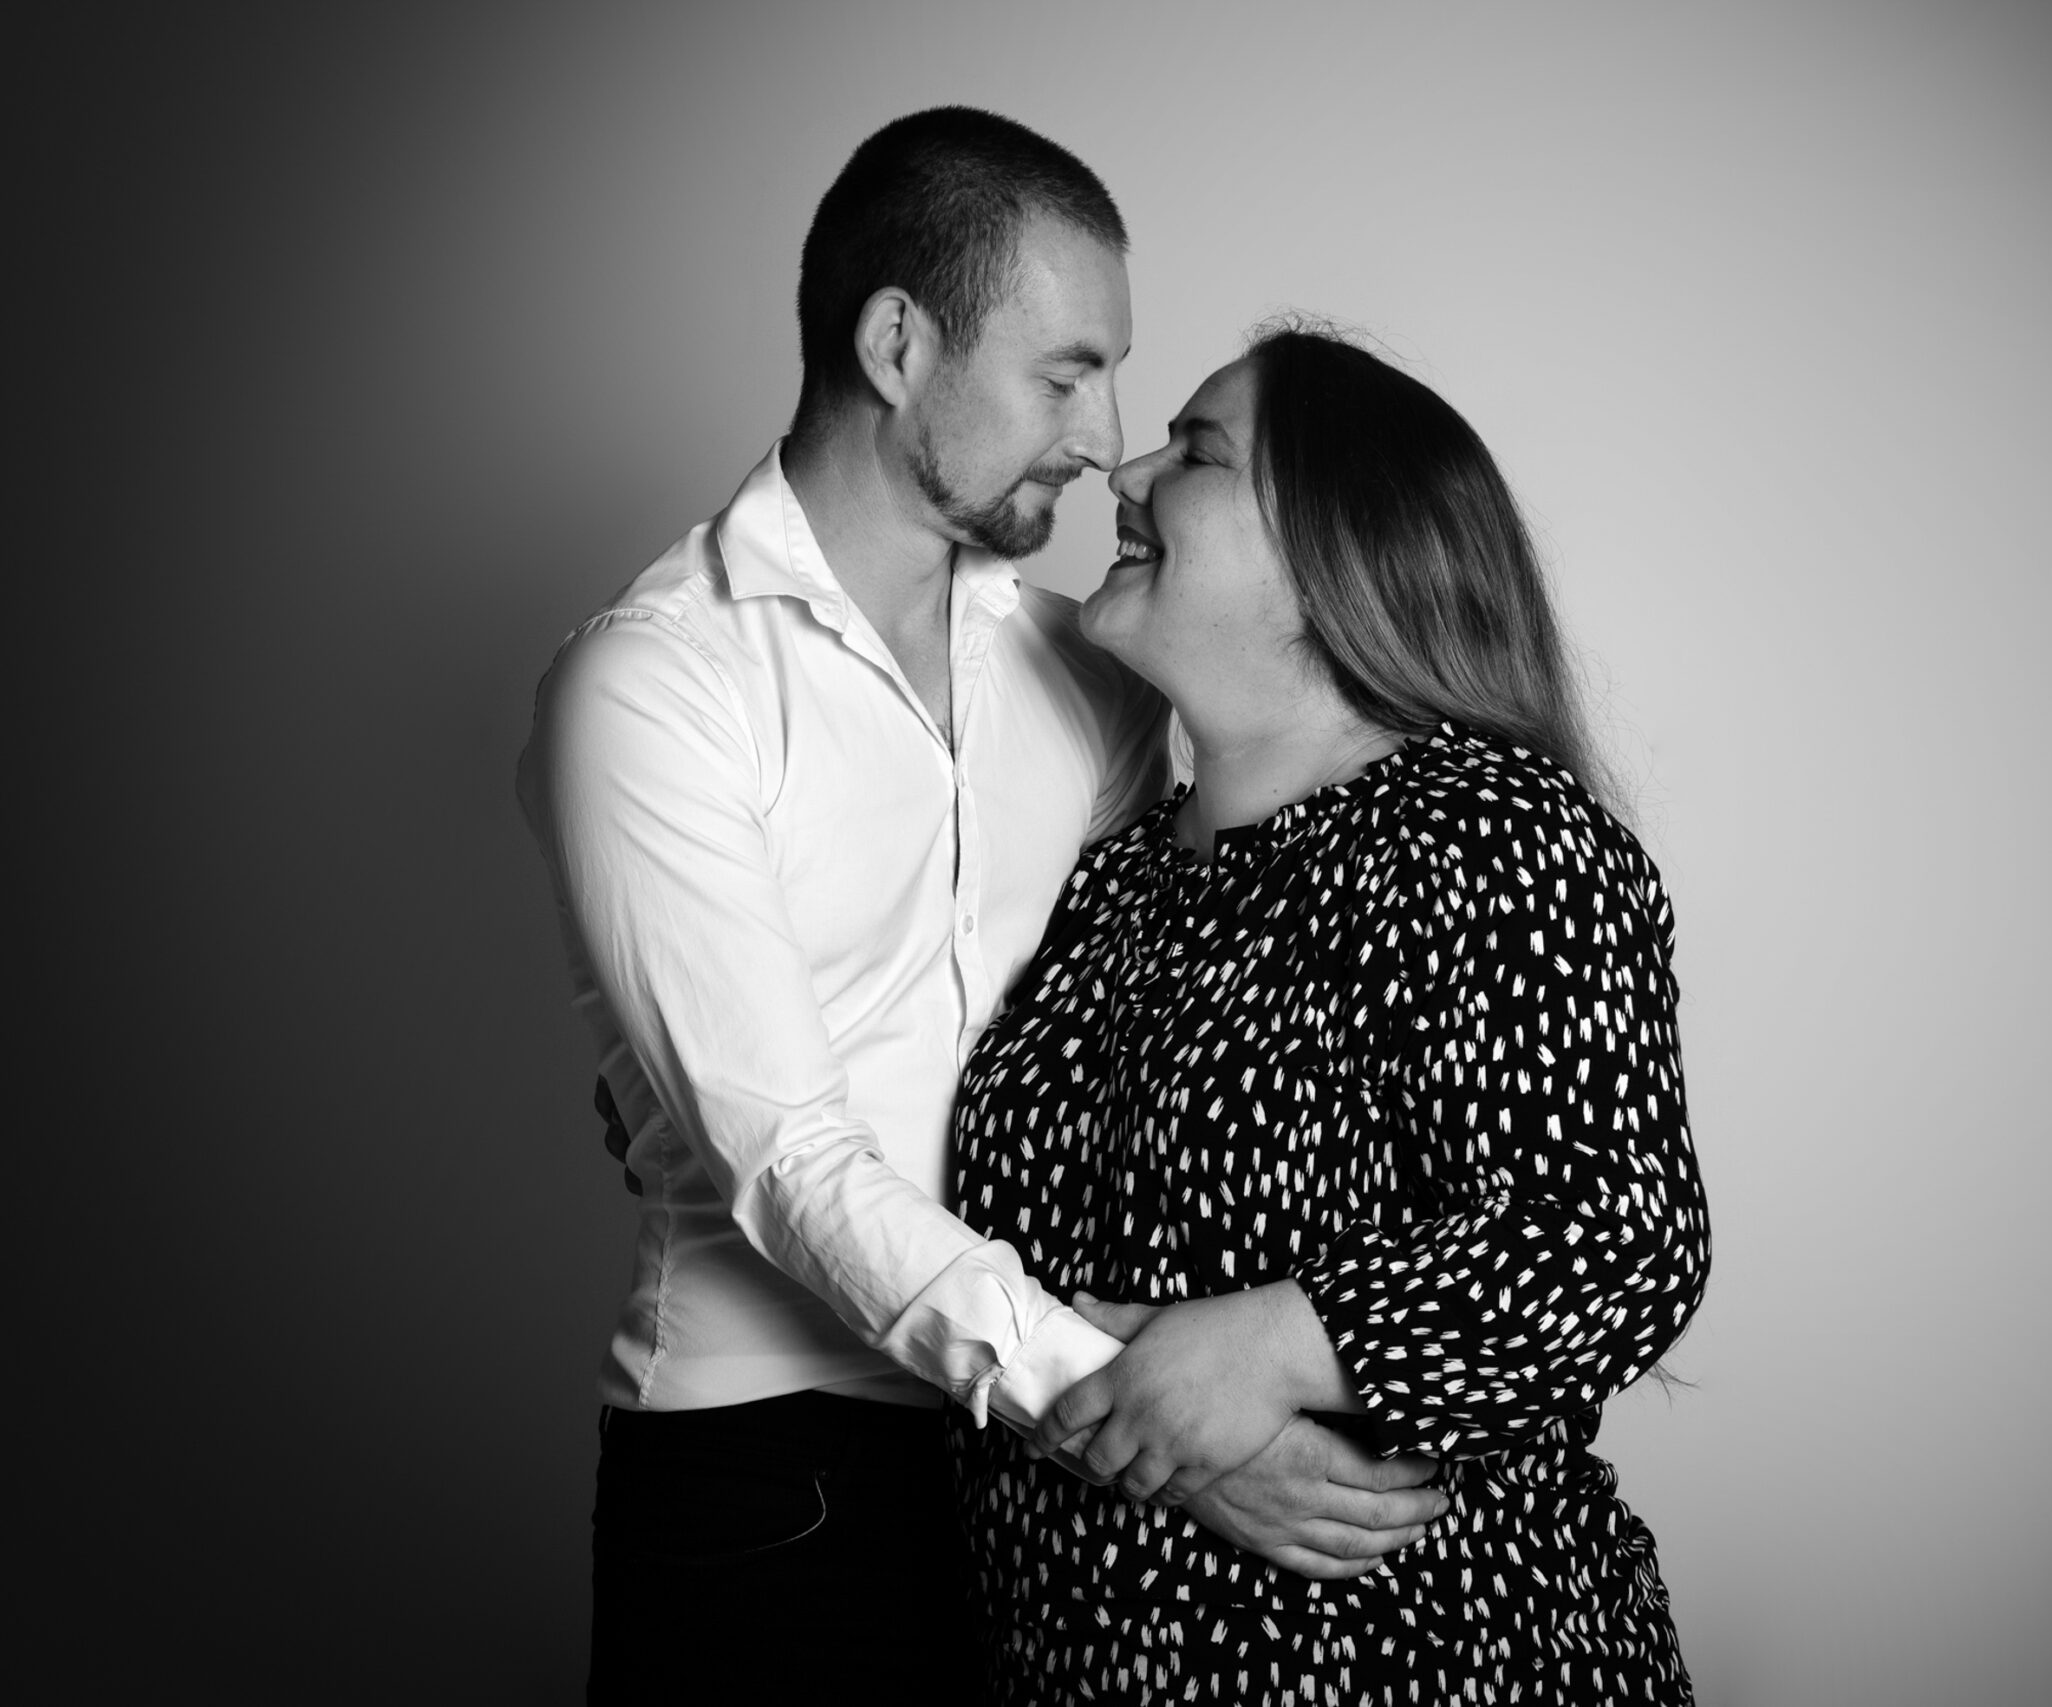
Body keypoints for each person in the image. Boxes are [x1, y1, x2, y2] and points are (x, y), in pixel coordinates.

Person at [518, 113, 1444, 1703]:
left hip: (1032, 1491)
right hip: (777, 1473)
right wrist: (1145, 1421)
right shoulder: (656, 687)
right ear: (896, 346)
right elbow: (791, 1161)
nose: (1106, 437)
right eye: (1065, 374)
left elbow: (1148, 1007)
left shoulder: (1091, 671)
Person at [947, 323, 1712, 1702]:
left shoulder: (1488, 838)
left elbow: (1617, 1236)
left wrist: (1271, 1349)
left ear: (1331, 552)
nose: (1124, 471)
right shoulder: (1111, 877)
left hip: (1427, 1665)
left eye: (1197, 452)